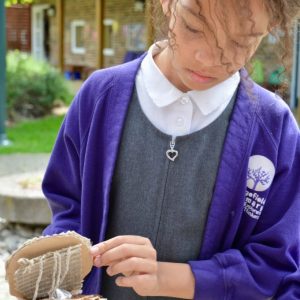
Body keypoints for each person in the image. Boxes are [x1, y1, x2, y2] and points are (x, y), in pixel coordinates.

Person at [42, 0, 300, 299]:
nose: (207, 58)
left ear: (270, 28)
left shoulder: (274, 128)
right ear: (167, 3)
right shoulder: (100, 95)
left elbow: (277, 263)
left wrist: (168, 277)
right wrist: (56, 266)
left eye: (240, 40)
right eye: (194, 26)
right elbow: (68, 208)